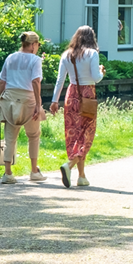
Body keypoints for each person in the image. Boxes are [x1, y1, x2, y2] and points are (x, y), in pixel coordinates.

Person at [50, 25, 105, 187]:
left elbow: (60, 80)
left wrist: (54, 101)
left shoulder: (66, 55)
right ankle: (70, 165)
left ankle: (81, 176)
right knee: (86, 134)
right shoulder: (92, 54)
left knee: (74, 134)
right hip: (87, 95)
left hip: (71, 94)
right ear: (91, 38)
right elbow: (95, 78)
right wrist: (102, 71)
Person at [0, 31, 47, 184]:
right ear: (32, 45)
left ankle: (8, 173)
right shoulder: (35, 60)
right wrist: (38, 105)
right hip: (28, 99)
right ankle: (33, 171)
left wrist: (1, 100)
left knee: (10, 137)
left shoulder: (10, 58)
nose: (37, 47)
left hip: (10, 98)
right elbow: (36, 82)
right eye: (37, 44)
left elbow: (2, 82)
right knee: (33, 135)